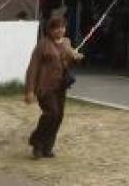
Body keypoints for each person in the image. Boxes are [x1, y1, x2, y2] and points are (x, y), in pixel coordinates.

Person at [25, 16, 84, 159]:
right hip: (45, 87)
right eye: (56, 27)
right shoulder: (42, 45)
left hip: (60, 86)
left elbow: (69, 57)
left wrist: (75, 57)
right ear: (50, 29)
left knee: (58, 116)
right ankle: (37, 143)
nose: (60, 30)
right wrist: (30, 91)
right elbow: (33, 68)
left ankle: (47, 147)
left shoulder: (66, 42)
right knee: (51, 113)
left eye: (63, 27)